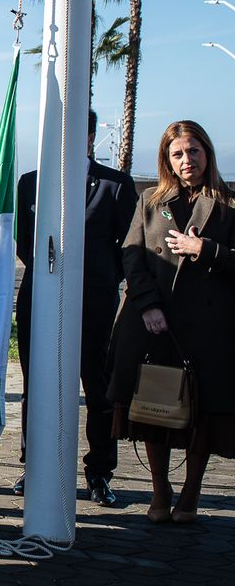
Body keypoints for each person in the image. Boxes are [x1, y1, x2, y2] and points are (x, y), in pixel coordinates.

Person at [107, 120, 235, 525]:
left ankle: (192, 492)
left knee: (203, 413)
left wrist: (206, 249)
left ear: (207, 153)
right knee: (152, 409)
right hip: (153, 323)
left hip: (209, 326)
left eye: (193, 151)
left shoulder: (230, 204)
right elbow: (132, 253)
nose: (186, 161)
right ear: (166, 159)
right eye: (177, 154)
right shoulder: (150, 200)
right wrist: (148, 305)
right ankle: (160, 489)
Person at [13, 110, 136, 504]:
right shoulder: (29, 183)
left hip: (94, 304)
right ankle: (34, 468)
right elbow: (23, 243)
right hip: (38, 299)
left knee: (97, 389)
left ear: (88, 136)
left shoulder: (115, 185)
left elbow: (129, 247)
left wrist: (97, 277)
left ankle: (100, 472)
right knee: (37, 387)